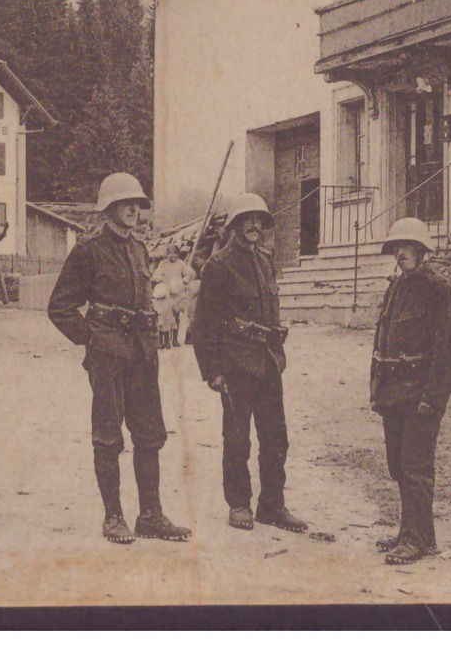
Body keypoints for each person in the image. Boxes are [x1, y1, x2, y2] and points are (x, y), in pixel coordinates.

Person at [48, 172, 191, 545]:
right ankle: (113, 517)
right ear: (108, 207)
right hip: (108, 353)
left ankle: (151, 515)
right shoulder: (88, 250)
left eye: (138, 204)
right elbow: (60, 307)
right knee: (108, 437)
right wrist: (92, 340)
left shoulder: (140, 249)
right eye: (126, 203)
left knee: (150, 435)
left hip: (143, 353)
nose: (133, 209)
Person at [187, 193, 308, 533]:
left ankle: (272, 505)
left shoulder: (265, 261)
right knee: (238, 439)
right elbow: (203, 324)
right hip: (236, 363)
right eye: (247, 220)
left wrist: (278, 352)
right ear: (235, 226)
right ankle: (239, 504)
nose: (254, 225)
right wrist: (213, 371)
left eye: (259, 220)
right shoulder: (219, 266)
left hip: (267, 362)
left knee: (276, 438)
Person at [369, 217, 451, 565]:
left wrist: (433, 398)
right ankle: (422, 535)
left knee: (415, 467)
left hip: (420, 394)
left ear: (423, 251)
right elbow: (382, 341)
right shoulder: (396, 287)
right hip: (394, 392)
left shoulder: (440, 291)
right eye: (396, 247)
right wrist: (377, 388)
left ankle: (413, 539)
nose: (401, 253)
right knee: (398, 465)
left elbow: (449, 353)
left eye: (408, 247)